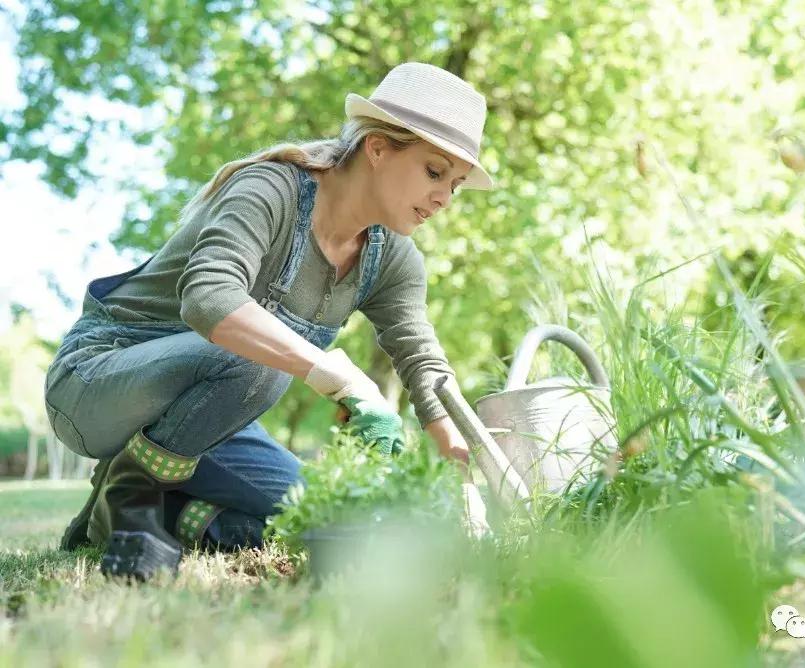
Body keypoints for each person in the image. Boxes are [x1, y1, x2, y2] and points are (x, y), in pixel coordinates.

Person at [43, 62, 493, 580]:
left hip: (208, 417)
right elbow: (210, 300)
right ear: (377, 148)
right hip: (99, 381)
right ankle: (133, 492)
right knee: (258, 361)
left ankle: (147, 514)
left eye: (456, 185)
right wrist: (340, 378)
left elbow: (421, 360)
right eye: (434, 172)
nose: (443, 198)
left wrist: (460, 469)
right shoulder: (271, 190)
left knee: (333, 520)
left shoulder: (393, 258)